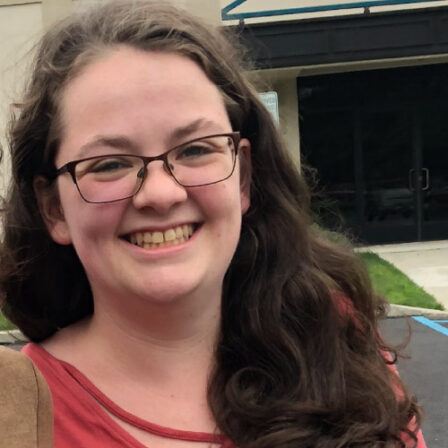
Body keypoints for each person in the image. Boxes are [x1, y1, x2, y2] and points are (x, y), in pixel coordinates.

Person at [0, 1, 425, 447]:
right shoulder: (19, 416)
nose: (161, 195)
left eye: (196, 149)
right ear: (54, 208)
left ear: (242, 176)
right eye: (108, 163)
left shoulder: (336, 342)